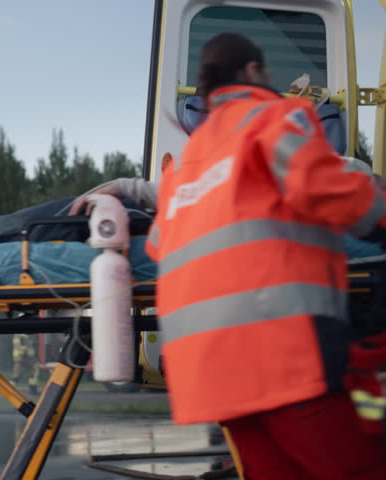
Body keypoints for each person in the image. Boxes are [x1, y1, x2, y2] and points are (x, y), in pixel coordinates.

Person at [141, 33, 386, 479]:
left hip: (205, 373)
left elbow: (158, 244)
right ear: (254, 71)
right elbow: (325, 188)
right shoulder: (275, 115)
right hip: (278, 350)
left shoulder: (191, 158)